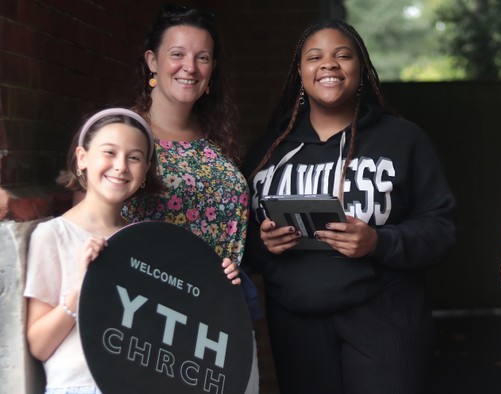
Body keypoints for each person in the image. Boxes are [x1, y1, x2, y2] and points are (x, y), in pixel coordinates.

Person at [242, 19, 458, 394]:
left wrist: (379, 241)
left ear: (362, 68)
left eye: (343, 55)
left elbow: (442, 228)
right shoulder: (268, 152)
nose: (329, 64)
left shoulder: (402, 139)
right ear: (300, 72)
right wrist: (265, 245)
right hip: (296, 324)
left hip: (385, 319)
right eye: (315, 57)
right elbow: (239, 242)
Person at [120, 5, 260, 393]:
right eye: (177, 54)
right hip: (153, 318)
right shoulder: (125, 133)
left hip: (222, 316)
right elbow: (97, 219)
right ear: (152, 61)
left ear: (212, 68)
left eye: (202, 57)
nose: (190, 67)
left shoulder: (218, 138)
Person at [24, 108, 162, 394]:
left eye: (134, 157)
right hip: (78, 387)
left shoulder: (144, 242)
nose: (121, 166)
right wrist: (81, 289)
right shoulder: (52, 235)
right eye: (109, 152)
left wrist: (213, 280)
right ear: (83, 158)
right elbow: (39, 345)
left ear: (145, 170)